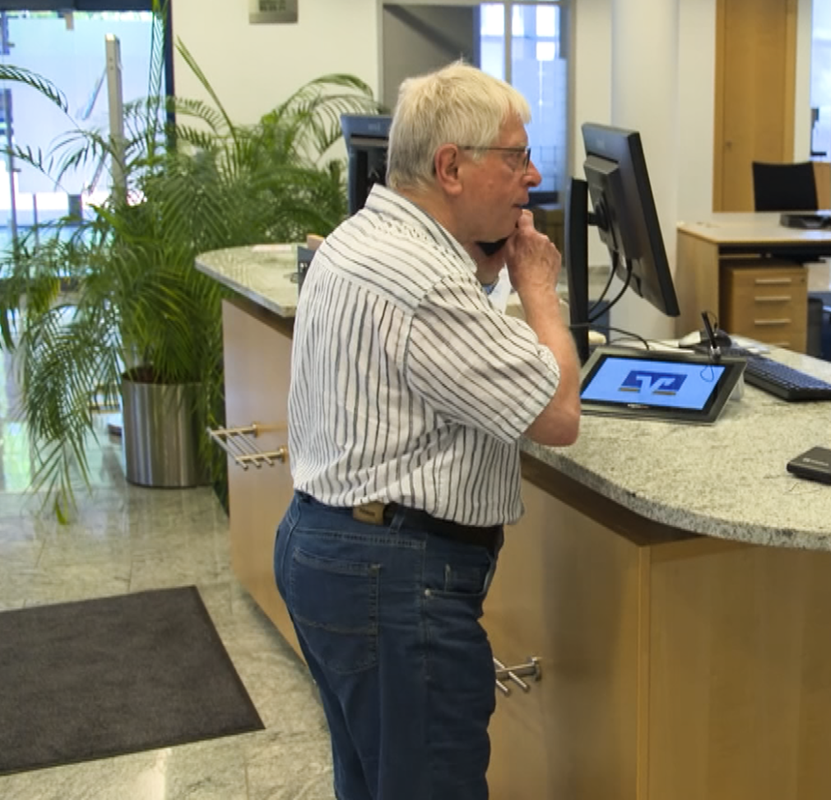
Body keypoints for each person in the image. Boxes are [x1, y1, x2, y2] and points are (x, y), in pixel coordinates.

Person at [273, 61, 580, 800]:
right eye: (514, 157)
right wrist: (538, 290)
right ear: (450, 167)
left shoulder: (358, 239)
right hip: (396, 578)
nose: (531, 176)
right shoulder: (425, 281)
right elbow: (559, 415)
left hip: (329, 551)